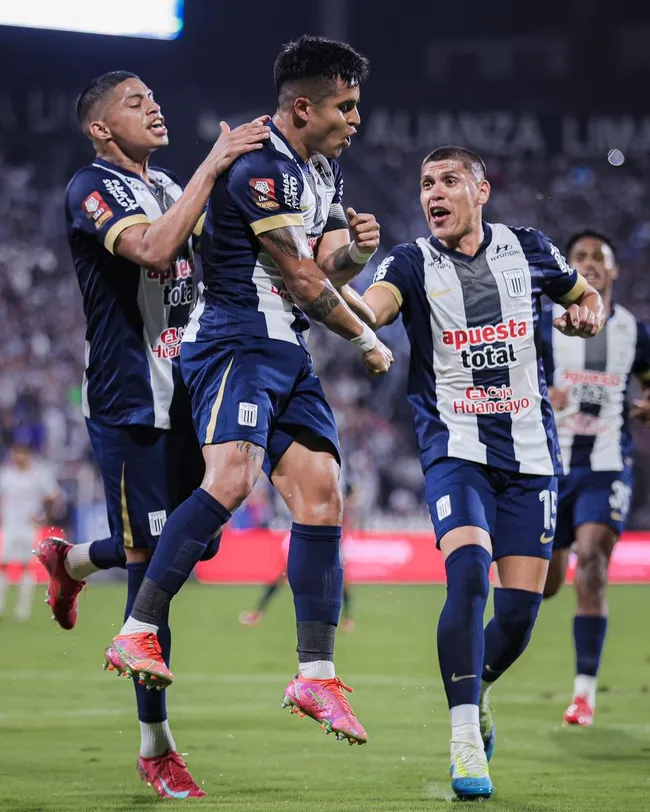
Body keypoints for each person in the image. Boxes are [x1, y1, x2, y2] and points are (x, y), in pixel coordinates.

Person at [104, 36, 393, 748]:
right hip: (233, 335)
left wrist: (354, 251)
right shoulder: (262, 166)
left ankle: (315, 675)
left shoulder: (319, 171)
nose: (356, 119)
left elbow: (324, 266)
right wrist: (365, 339)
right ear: (303, 106)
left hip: (283, 346)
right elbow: (299, 278)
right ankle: (138, 629)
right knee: (230, 479)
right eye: (345, 106)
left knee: (322, 489)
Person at [35, 70, 269, 799]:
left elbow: (217, 255)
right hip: (130, 400)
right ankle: (156, 746)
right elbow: (154, 252)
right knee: (150, 572)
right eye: (135, 103)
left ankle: (71, 561)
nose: (154, 106)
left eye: (153, 97)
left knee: (192, 542)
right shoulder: (89, 187)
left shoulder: (171, 184)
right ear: (101, 128)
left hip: (189, 392)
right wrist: (215, 162)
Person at [360, 146, 603, 799]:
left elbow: (588, 300)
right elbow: (373, 307)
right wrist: (342, 294)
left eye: (447, 181)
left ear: (480, 189)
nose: (433, 194)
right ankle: (464, 735)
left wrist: (586, 311)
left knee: (521, 615)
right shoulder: (409, 260)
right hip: (455, 446)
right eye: (425, 184)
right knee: (468, 576)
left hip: (531, 454)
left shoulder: (527, 248)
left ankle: (479, 687)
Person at [541, 231, 650, 727]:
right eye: (579, 257)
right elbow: (507, 381)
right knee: (543, 585)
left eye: (597, 258)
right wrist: (543, 393)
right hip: (547, 464)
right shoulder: (542, 326)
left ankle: (583, 694)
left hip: (606, 465)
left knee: (592, 562)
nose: (588, 264)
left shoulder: (633, 331)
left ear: (613, 271)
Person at [0, 434, 61, 621]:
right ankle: (1, 607)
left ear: (27, 455)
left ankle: (22, 610)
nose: (18, 456)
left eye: (21, 453)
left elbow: (53, 496)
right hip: (9, 526)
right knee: (3, 566)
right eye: (15, 453)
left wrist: (44, 517)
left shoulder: (39, 474)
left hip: (28, 528)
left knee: (27, 567)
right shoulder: (6, 475)